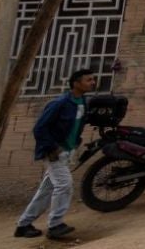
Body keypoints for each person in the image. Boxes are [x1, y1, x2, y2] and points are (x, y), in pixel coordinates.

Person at [14, 69, 96, 240]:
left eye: (93, 79)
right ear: (76, 83)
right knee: (64, 185)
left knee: (46, 190)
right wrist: (51, 148)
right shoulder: (60, 103)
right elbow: (39, 128)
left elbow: (77, 124)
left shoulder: (82, 102)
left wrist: (76, 142)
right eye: (88, 80)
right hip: (54, 153)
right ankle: (55, 225)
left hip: (67, 152)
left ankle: (23, 225)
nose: (93, 83)